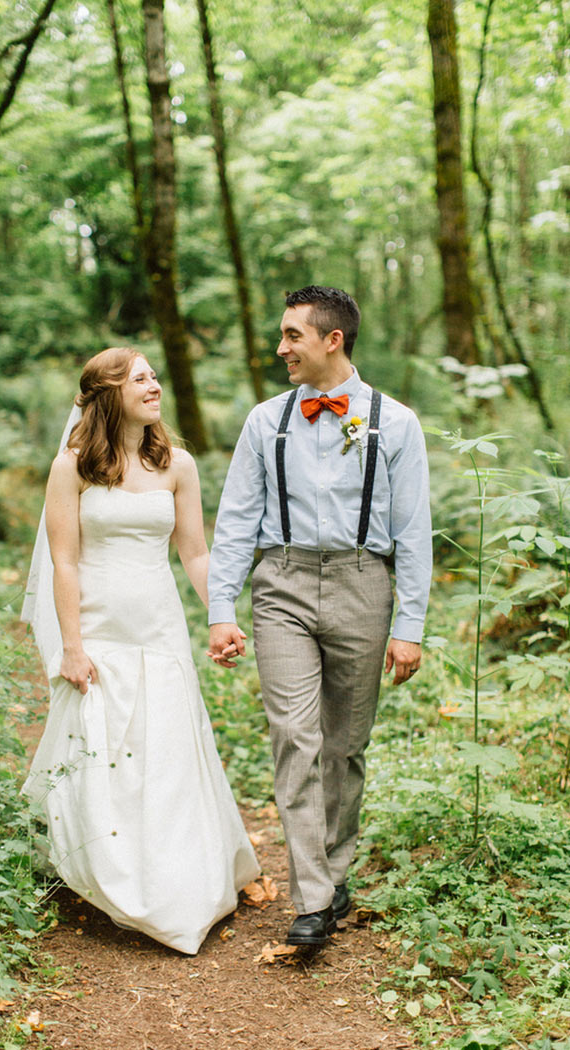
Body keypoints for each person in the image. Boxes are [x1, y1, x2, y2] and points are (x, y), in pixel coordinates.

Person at [207, 286, 432, 947]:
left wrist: (408, 625)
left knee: (345, 747)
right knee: (294, 738)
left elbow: (413, 530)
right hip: (282, 584)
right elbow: (237, 521)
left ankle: (332, 877)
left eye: (292, 336)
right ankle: (310, 899)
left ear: (332, 340)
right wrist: (223, 608)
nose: (281, 348)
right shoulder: (263, 422)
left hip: (365, 585)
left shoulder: (395, 422)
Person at [21, 347, 259, 955]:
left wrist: (222, 614)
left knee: (168, 749)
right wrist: (71, 646)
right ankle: (109, 875)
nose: (155, 385)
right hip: (98, 630)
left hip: (159, 628)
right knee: (102, 748)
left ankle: (179, 880)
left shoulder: (177, 464)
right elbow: (64, 560)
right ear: (108, 394)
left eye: (156, 374)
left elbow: (196, 554)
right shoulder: (73, 467)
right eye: (140, 378)